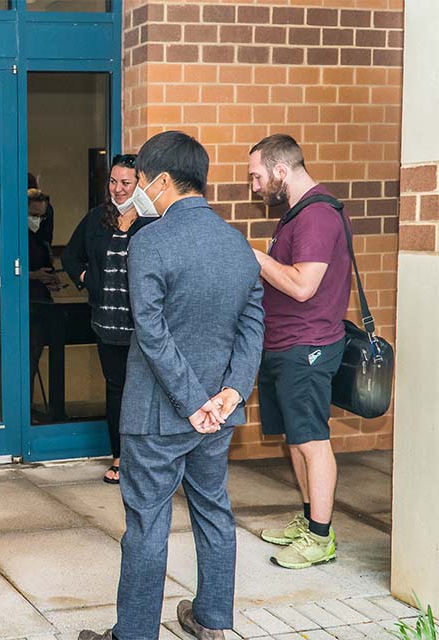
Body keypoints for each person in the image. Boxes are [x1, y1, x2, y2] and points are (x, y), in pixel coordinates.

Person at [79, 131, 264, 640]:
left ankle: (134, 634)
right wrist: (228, 395)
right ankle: (212, 622)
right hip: (218, 414)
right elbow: (253, 325)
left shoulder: (150, 240)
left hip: (160, 413)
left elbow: (152, 331)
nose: (136, 189)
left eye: (138, 180)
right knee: (213, 509)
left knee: (147, 523)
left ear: (160, 181)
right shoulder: (238, 243)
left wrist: (192, 402)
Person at [247, 134, 351, 570]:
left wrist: (255, 257)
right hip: (284, 343)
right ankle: (310, 520)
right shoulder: (294, 215)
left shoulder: (316, 217)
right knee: (296, 439)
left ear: (281, 171)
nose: (253, 186)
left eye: (256, 176)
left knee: (313, 441)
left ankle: (321, 537)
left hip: (307, 345)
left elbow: (303, 285)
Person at [62, 153, 155, 484]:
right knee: (116, 392)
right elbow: (70, 256)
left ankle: (145, 459)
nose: (118, 189)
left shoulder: (153, 221)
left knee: (144, 394)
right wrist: (87, 278)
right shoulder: (96, 219)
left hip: (145, 330)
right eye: (113, 181)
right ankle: (119, 458)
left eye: (125, 183)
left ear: (139, 184)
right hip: (109, 327)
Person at [26, 188, 64, 415]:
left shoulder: (41, 239)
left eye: (42, 216)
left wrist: (49, 279)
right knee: (26, 357)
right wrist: (35, 275)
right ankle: (24, 405)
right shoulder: (12, 236)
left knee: (35, 354)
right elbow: (9, 272)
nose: (38, 220)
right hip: (24, 303)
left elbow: (45, 265)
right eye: (34, 215)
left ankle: (32, 403)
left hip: (42, 303)